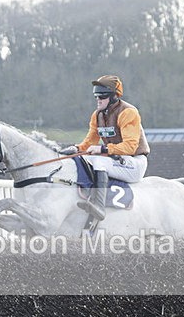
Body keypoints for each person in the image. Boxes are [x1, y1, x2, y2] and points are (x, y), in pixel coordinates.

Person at [60, 74, 149, 221]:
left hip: (135, 163)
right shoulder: (97, 115)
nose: (98, 100)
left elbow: (130, 147)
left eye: (102, 97)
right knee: (85, 158)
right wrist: (76, 148)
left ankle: (99, 206)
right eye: (96, 96)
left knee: (99, 161)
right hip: (116, 160)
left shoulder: (128, 112)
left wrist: (102, 149)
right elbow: (89, 142)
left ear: (114, 97)